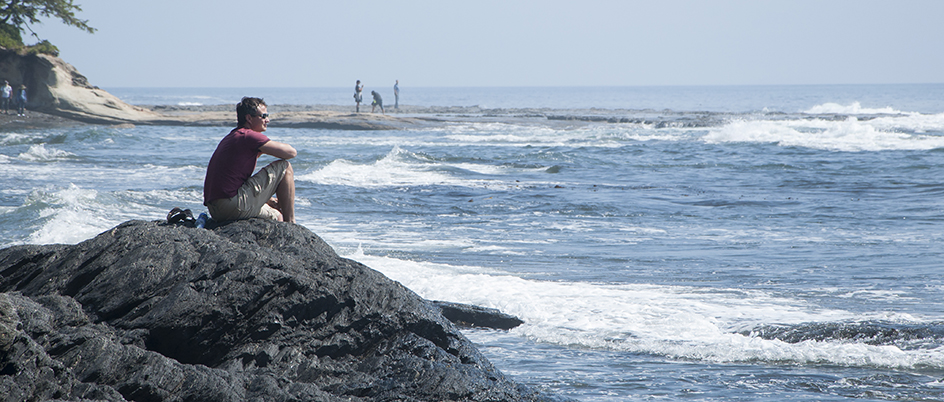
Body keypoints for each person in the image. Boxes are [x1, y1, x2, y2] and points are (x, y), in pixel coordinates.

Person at [203, 97, 297, 223]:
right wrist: (264, 148)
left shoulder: (235, 136)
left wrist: (268, 200)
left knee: (276, 215)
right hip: (232, 205)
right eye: (263, 116)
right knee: (285, 166)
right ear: (249, 118)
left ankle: (283, 229)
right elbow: (290, 153)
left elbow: (234, 181)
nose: (267, 120)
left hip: (216, 209)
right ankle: (291, 223)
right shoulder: (248, 136)